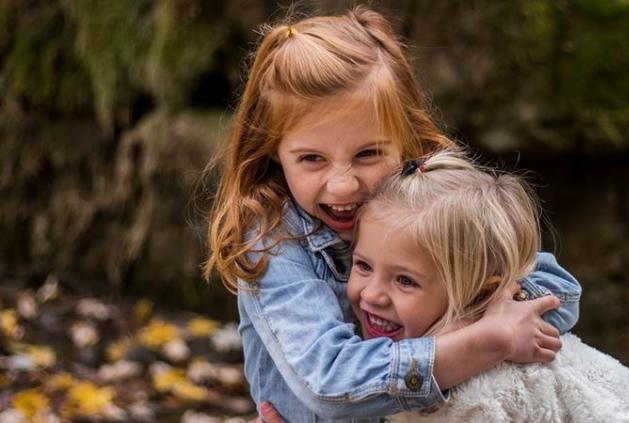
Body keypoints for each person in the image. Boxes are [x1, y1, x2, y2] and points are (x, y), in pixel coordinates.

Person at [204, 6, 582, 422]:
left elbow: (557, 291)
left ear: (405, 139)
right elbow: (330, 383)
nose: (344, 184)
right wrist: (480, 341)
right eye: (312, 159)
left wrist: (479, 320)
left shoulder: (430, 202)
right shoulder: (274, 239)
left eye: (368, 154)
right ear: (274, 153)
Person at [347, 151, 629, 422]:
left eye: (405, 281)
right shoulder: (404, 353)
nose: (371, 294)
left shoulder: (492, 391)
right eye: (363, 266)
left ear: (481, 293)